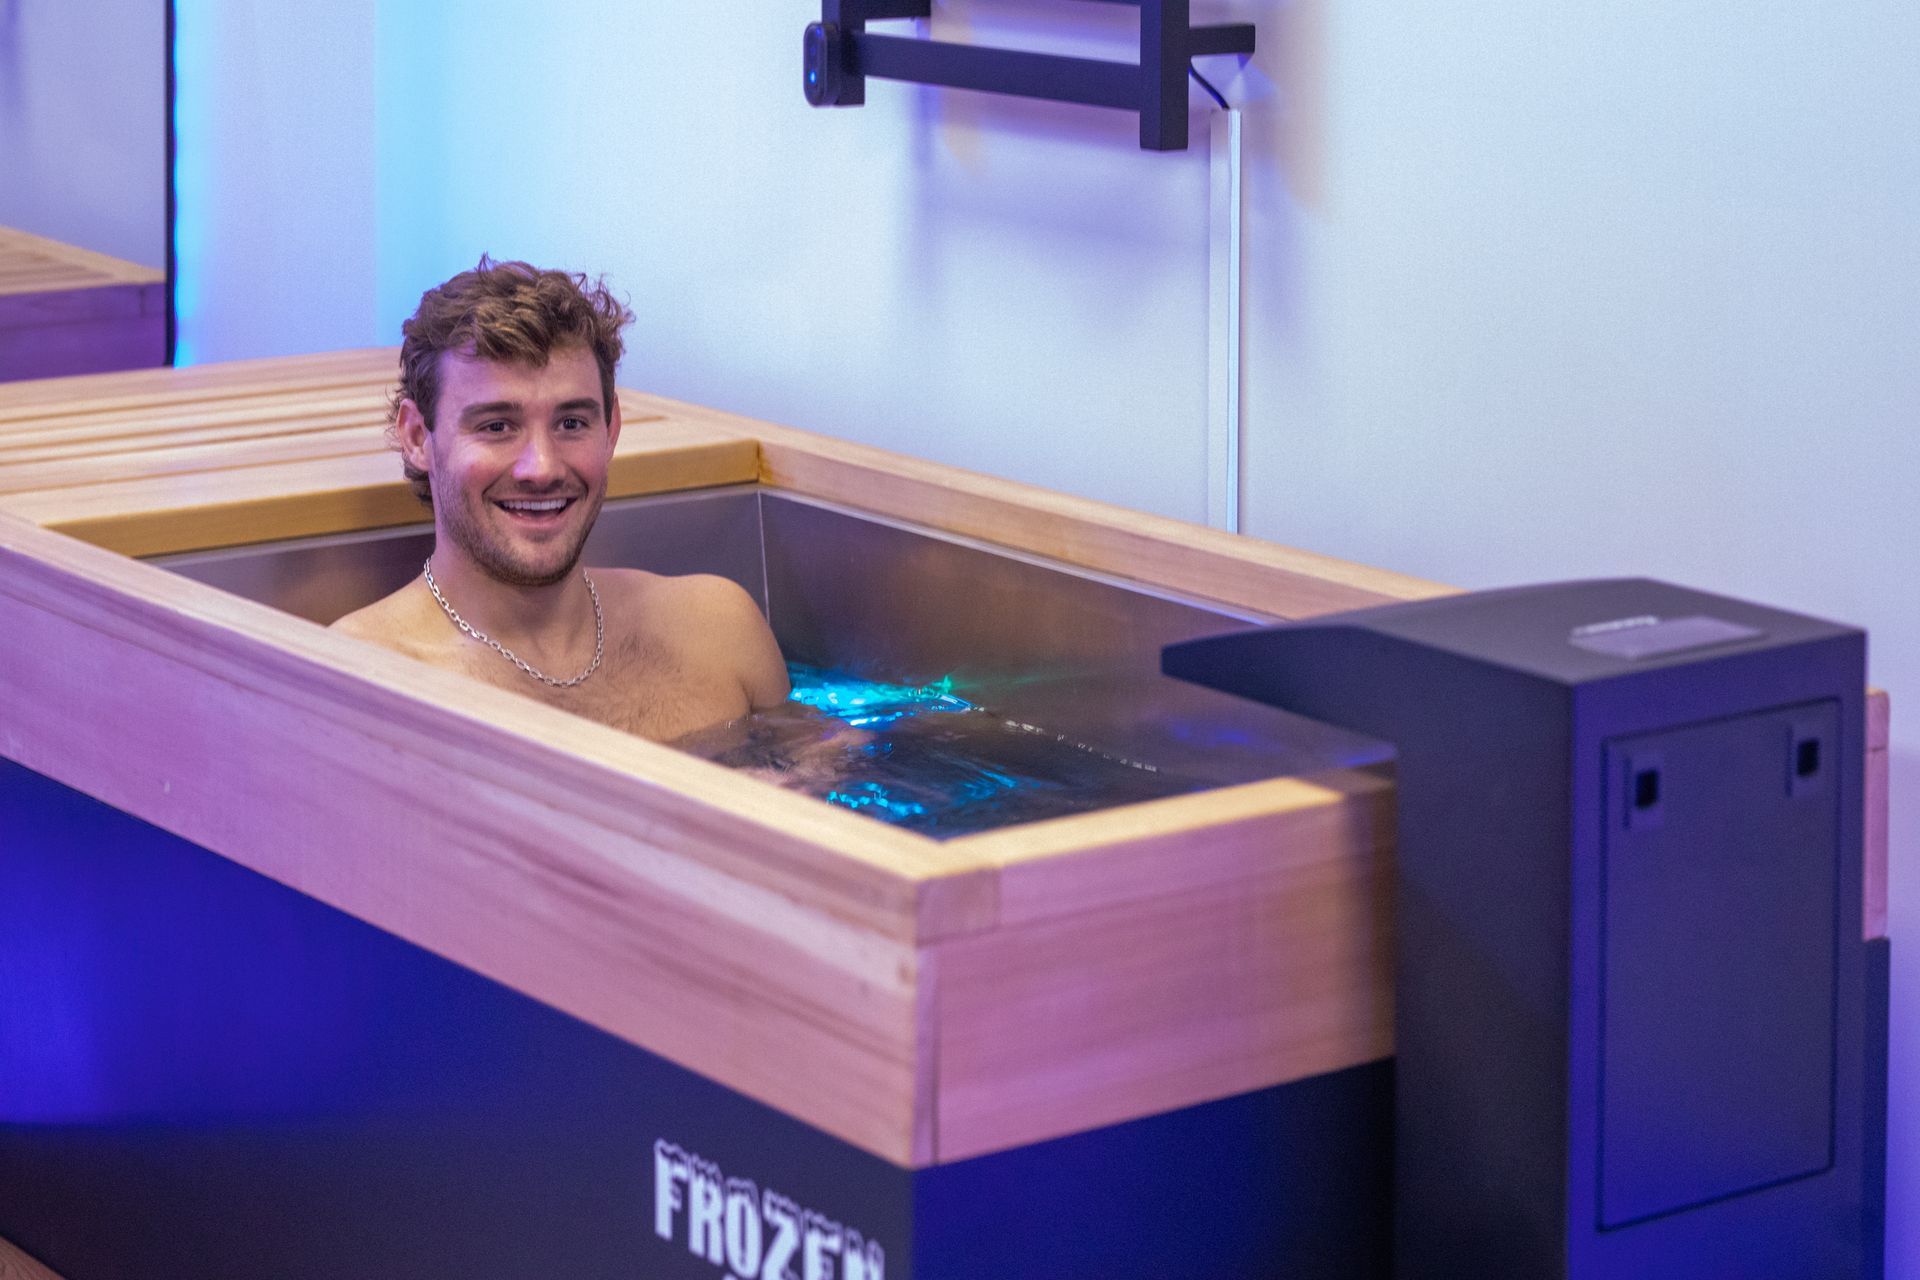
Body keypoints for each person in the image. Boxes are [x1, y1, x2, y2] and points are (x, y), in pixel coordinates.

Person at [332, 257, 790, 741]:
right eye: (496, 426)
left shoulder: (719, 630)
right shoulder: (361, 680)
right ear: (418, 437)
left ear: (611, 429)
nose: (542, 468)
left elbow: (821, 788)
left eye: (571, 423)